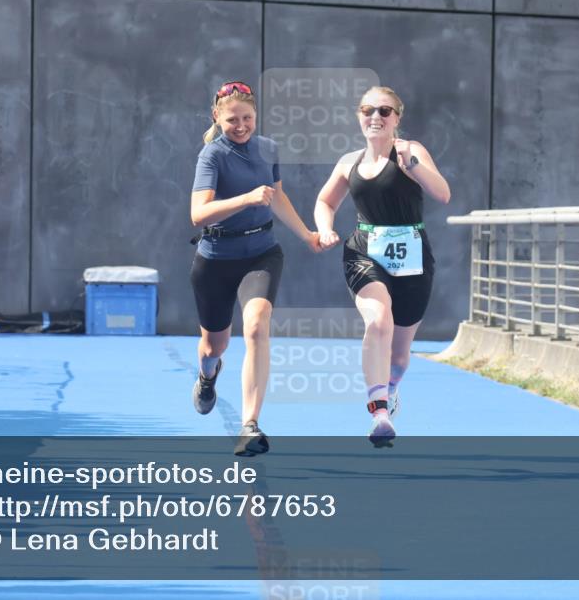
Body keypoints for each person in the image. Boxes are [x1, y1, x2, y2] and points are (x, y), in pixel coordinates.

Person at [190, 80, 321, 456]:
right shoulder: (212, 155)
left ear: (256, 116)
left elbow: (276, 197)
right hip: (215, 259)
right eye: (232, 119)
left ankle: (250, 424)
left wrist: (307, 235)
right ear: (217, 117)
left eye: (247, 118)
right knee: (213, 346)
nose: (241, 125)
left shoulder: (268, 149)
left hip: (261, 254)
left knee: (256, 326)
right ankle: (207, 375)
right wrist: (246, 198)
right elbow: (198, 214)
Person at [314, 86, 450, 447]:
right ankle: (379, 412)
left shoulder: (411, 151)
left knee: (400, 357)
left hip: (412, 257)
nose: (375, 117)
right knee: (377, 320)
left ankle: (390, 387)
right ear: (359, 116)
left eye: (384, 111)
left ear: (396, 118)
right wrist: (325, 229)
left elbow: (443, 193)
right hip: (364, 251)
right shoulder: (349, 162)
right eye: (368, 110)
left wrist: (413, 165)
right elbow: (325, 202)